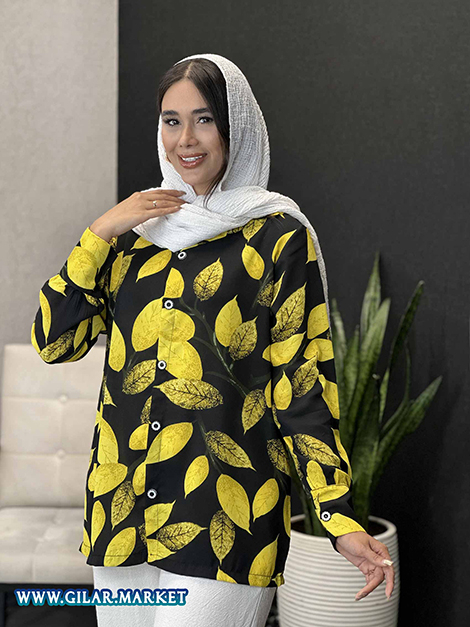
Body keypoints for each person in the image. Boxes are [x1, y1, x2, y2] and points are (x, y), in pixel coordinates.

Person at [31, 53, 394, 627]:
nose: (186, 140)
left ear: (235, 126)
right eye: (171, 121)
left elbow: (301, 384)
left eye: (204, 119)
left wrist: (335, 512)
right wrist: (98, 234)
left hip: (227, 511)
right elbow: (55, 342)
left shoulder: (278, 238)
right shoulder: (133, 238)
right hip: (122, 509)